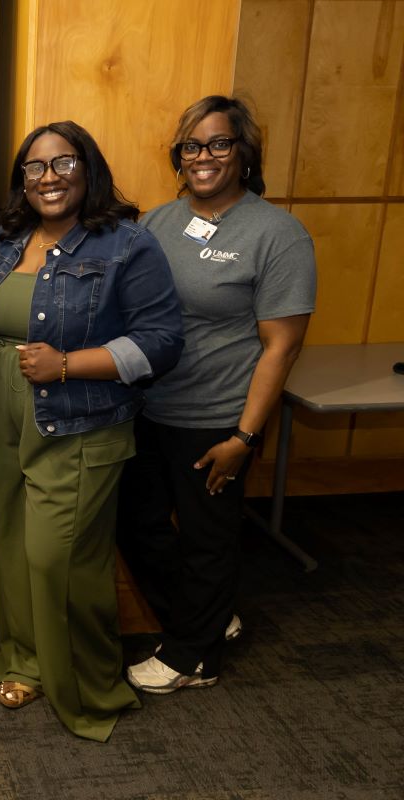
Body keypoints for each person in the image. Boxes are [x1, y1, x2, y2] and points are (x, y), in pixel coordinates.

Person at [0, 120, 184, 742]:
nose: (48, 178)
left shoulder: (125, 244)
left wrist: (67, 364)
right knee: (11, 546)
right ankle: (26, 662)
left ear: (88, 169)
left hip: (80, 415)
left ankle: (90, 685)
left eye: (63, 163)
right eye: (34, 168)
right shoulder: (8, 240)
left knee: (59, 559)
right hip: (5, 409)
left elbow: (163, 342)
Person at [119, 96, 315, 694]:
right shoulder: (157, 222)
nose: (203, 157)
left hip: (217, 418)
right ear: (178, 157)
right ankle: (205, 616)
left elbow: (280, 347)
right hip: (148, 407)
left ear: (243, 152)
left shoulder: (277, 234)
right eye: (191, 146)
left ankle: (192, 658)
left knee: (208, 539)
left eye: (219, 144)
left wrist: (244, 438)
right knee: (136, 525)